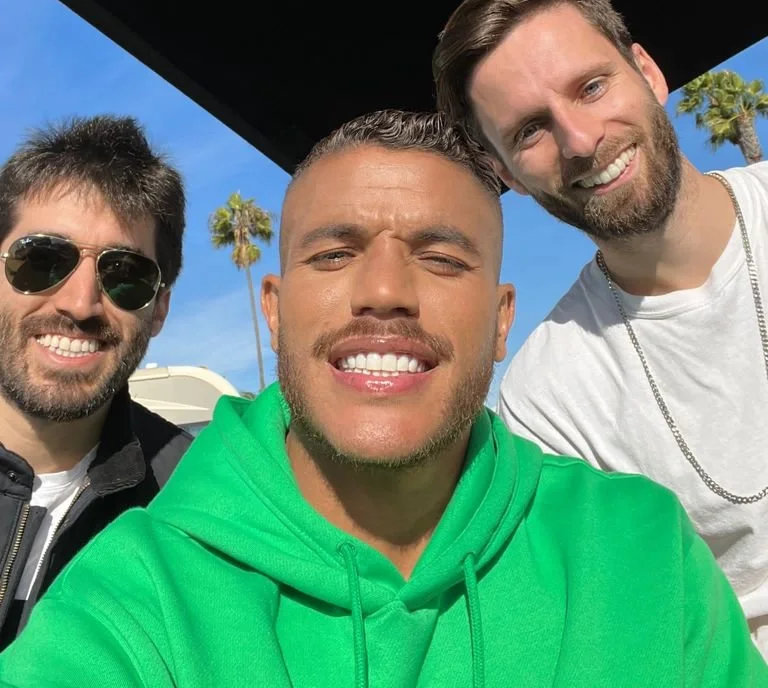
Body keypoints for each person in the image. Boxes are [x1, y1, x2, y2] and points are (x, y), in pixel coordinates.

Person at [0, 109, 763, 687]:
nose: (387, 291)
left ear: (502, 321)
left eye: (441, 258)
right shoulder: (133, 595)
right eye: (335, 254)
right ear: (274, 311)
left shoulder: (643, 553)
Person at [433, 0, 768, 656]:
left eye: (590, 87)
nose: (581, 140)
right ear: (506, 175)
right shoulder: (548, 398)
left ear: (647, 72)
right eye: (530, 130)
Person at [0, 115, 190, 648]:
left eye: (124, 275)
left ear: (159, 310)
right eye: (42, 260)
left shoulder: (191, 501)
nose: (80, 304)